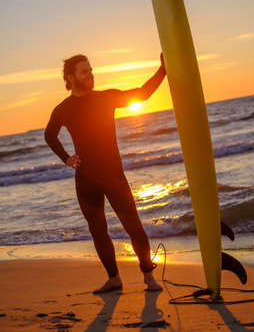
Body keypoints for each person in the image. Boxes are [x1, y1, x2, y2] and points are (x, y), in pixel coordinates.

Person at [44, 52, 167, 293]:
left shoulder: (105, 98)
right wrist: (66, 158)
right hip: (86, 180)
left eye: (91, 70)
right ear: (71, 77)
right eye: (84, 71)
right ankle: (114, 279)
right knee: (98, 232)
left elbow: (142, 94)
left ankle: (149, 277)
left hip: (113, 176)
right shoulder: (63, 109)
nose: (91, 75)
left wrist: (163, 70)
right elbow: (49, 135)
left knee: (134, 228)